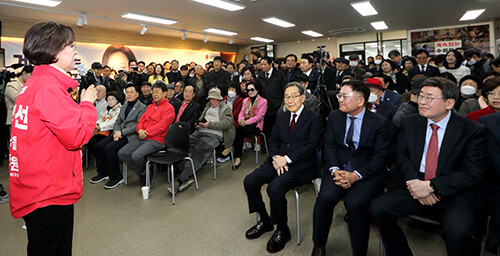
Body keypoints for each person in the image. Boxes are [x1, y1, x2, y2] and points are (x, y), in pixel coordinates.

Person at [370, 77, 488, 256]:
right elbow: (401, 155)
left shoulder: (472, 130)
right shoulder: (411, 122)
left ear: (449, 103)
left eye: (429, 98)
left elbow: (472, 173)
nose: (421, 102)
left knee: (458, 232)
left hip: (453, 193)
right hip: (415, 184)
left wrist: (431, 187)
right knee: (378, 208)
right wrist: (414, 184)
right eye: (420, 96)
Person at [10, 21, 98, 255]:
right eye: (70, 46)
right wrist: (88, 104)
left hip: (35, 184)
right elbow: (77, 135)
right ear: (54, 51)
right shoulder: (49, 88)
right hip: (49, 190)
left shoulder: (34, 84)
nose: (75, 51)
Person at [311, 80, 391, 256]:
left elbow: (380, 157)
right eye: (339, 95)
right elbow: (329, 145)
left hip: (366, 172)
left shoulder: (380, 123)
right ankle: (319, 245)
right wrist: (334, 169)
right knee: (324, 198)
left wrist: (357, 175)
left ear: (361, 101)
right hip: (338, 168)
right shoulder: (334, 116)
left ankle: (359, 251)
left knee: (354, 204)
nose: (339, 99)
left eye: (344, 96)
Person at [244, 83, 322, 253]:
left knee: (275, 188)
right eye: (287, 96)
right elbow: (273, 141)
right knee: (250, 181)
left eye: (294, 96)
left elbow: (311, 145)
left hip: (300, 164)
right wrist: (276, 158)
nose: (290, 100)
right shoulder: (281, 117)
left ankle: (282, 230)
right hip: (277, 160)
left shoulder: (314, 117)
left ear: (303, 97)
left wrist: (286, 159)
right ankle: (265, 221)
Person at [167, 88, 235, 194]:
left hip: (214, 135)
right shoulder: (207, 107)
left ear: (219, 99)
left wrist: (209, 125)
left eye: (214, 99)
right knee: (180, 146)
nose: (211, 101)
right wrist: (197, 124)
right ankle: (188, 174)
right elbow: (201, 118)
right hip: (200, 132)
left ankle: (181, 180)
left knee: (199, 151)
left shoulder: (225, 108)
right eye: (210, 99)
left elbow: (227, 123)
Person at [118, 81, 175, 186]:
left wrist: (146, 132)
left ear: (165, 93)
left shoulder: (169, 108)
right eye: (153, 92)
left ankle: (144, 174)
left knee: (136, 156)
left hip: (157, 140)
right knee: (122, 153)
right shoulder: (150, 107)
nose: (154, 95)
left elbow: (162, 127)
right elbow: (140, 121)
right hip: (142, 136)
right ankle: (144, 171)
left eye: (157, 92)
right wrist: (140, 130)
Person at [91, 83, 146, 188]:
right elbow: (118, 121)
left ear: (137, 94)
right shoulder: (125, 105)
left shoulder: (142, 107)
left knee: (110, 149)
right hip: (119, 133)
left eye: (131, 92)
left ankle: (116, 176)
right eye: (127, 93)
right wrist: (116, 131)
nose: (129, 95)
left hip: (131, 136)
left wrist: (122, 132)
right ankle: (103, 172)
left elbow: (138, 126)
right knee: (98, 146)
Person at [232, 82, 268, 169]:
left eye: (252, 90)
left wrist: (246, 122)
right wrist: (241, 120)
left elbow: (259, 117)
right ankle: (237, 156)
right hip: (244, 125)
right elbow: (241, 113)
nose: (250, 92)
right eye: (248, 90)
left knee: (239, 130)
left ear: (257, 90)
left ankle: (236, 154)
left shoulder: (263, 101)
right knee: (239, 129)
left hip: (256, 126)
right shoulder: (245, 100)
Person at [257, 56, 286, 147]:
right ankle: (266, 145)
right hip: (265, 106)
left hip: (277, 105)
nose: (263, 66)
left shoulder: (279, 74)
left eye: (265, 64)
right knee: (266, 127)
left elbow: (283, 89)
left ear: (270, 64)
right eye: (261, 65)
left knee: (277, 127)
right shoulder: (261, 75)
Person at [87, 91, 122, 158]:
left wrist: (99, 126)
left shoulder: (119, 109)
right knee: (92, 142)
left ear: (117, 100)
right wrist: (96, 124)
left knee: (100, 146)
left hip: (113, 132)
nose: (110, 101)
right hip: (103, 131)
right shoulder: (108, 109)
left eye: (112, 99)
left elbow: (113, 122)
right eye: (108, 100)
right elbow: (102, 119)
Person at [5, 65, 33, 132]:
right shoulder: (12, 85)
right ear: (24, 73)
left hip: (27, 120)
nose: (31, 78)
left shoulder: (29, 85)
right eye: (30, 75)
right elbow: (17, 99)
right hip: (15, 119)